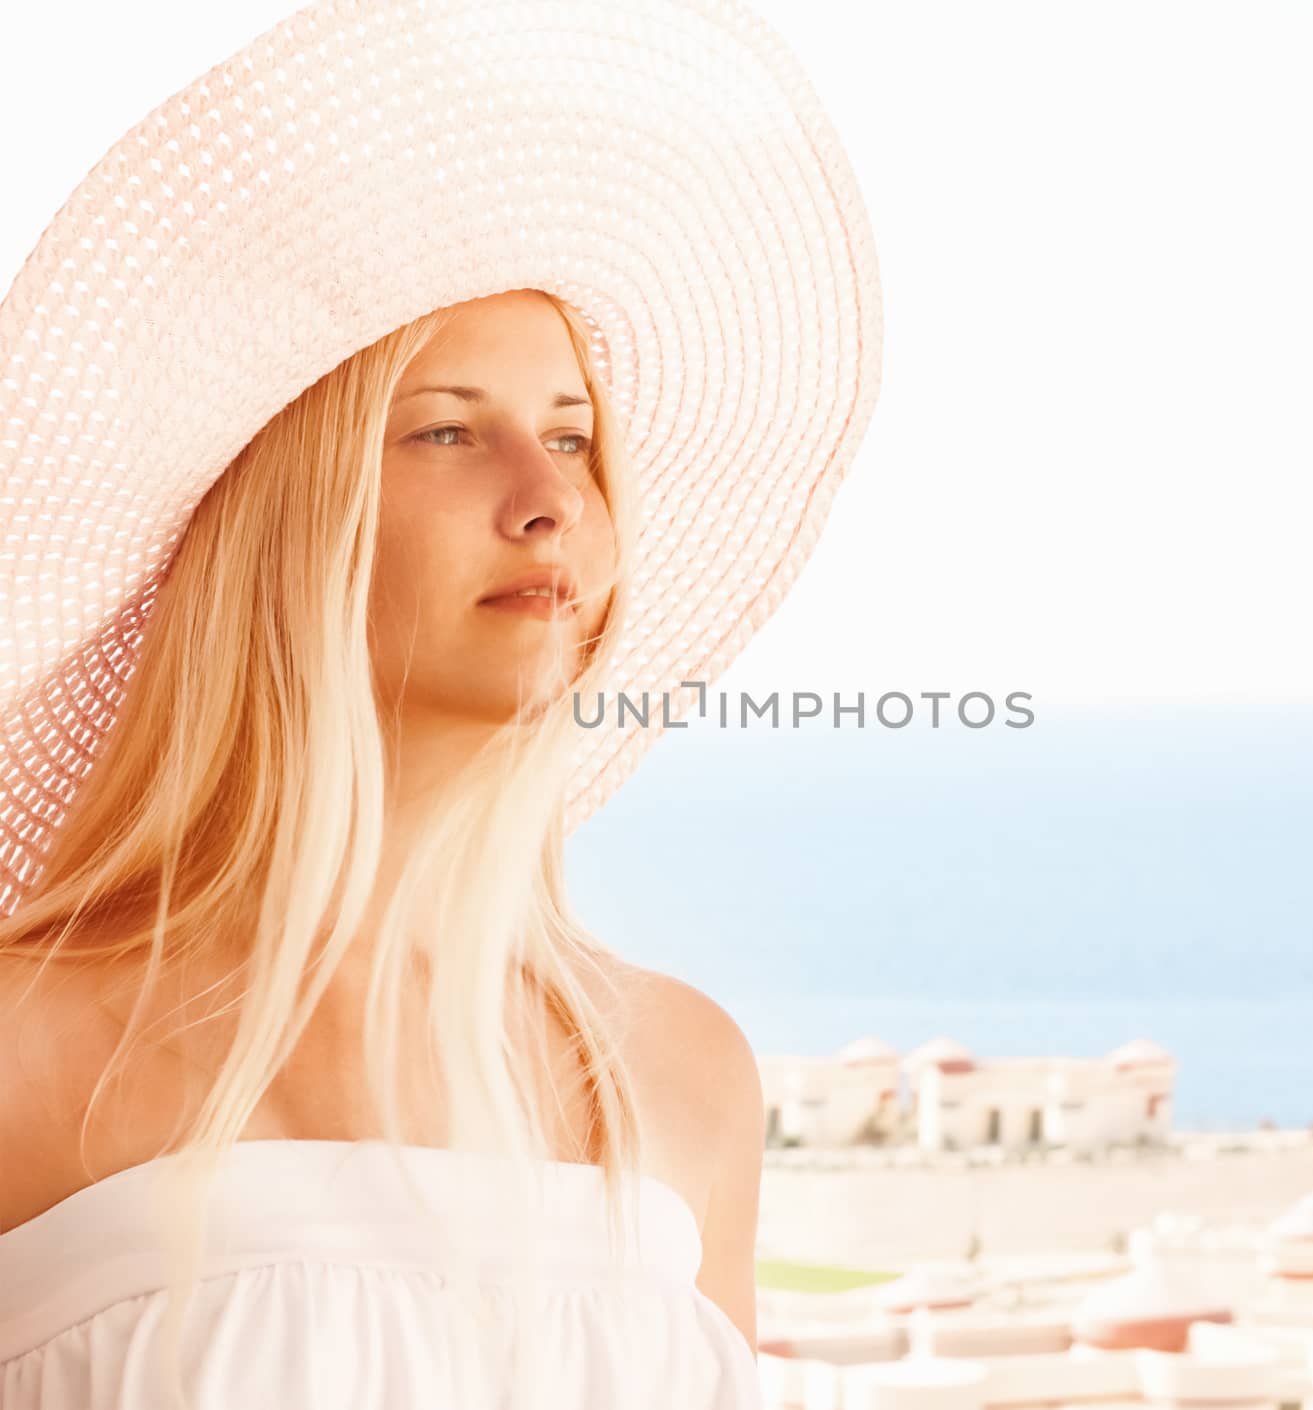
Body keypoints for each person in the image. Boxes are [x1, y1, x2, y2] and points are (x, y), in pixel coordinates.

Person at [0, 0, 883, 1404]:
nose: (551, 507)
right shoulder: (26, 1048)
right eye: (449, 430)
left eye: (575, 436)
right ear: (286, 527)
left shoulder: (677, 1076)